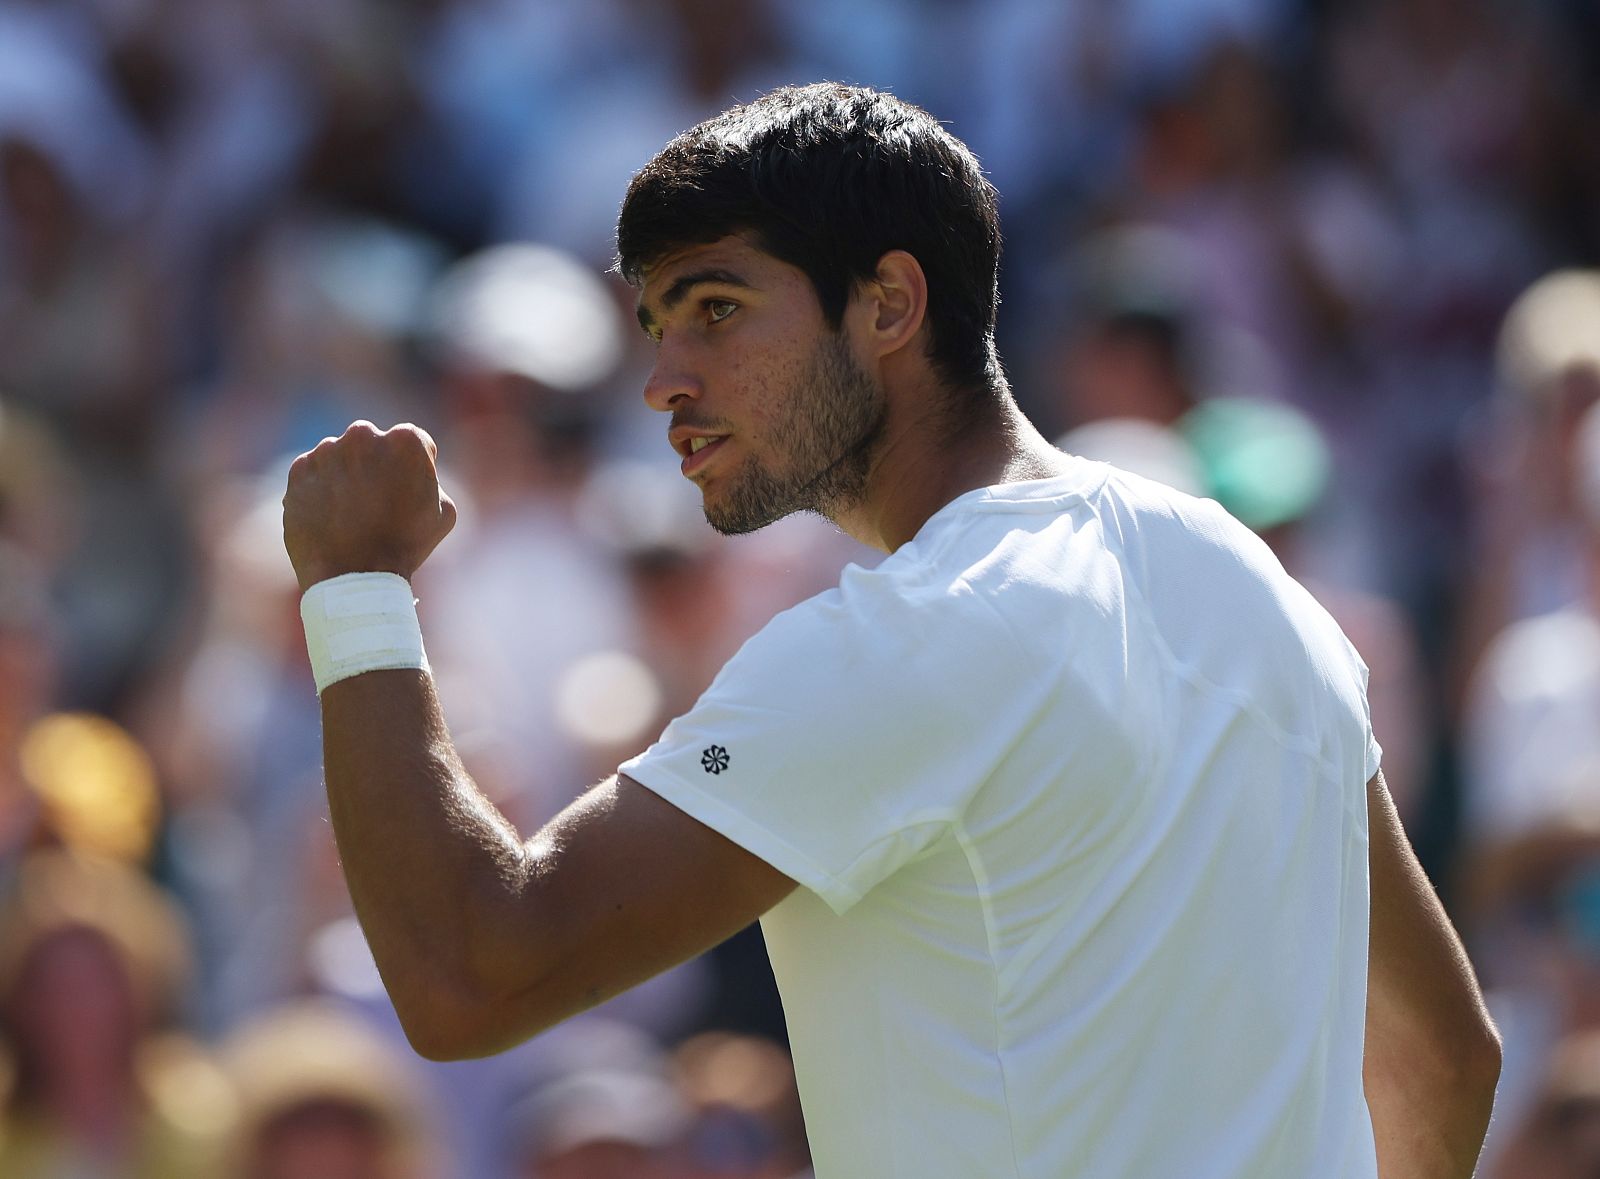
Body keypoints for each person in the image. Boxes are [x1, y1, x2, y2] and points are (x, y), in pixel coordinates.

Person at [281, 82, 1500, 1177]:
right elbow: (1442, 1059)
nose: (664, 376)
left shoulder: (905, 640)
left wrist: (355, 590)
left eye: (716, 307)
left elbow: (470, 974)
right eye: (657, 323)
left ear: (889, 304)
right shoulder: (1253, 586)